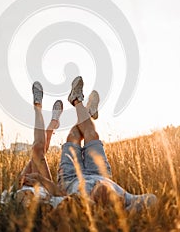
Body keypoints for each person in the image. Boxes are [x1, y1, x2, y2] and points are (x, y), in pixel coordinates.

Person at [18, 76, 157, 214]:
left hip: (70, 176)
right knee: (92, 134)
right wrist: (127, 210)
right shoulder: (126, 198)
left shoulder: (81, 202)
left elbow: (59, 193)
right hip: (99, 171)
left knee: (74, 135)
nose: (102, 190)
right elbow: (152, 199)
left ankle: (84, 109)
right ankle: (78, 101)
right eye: (107, 193)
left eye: (100, 195)